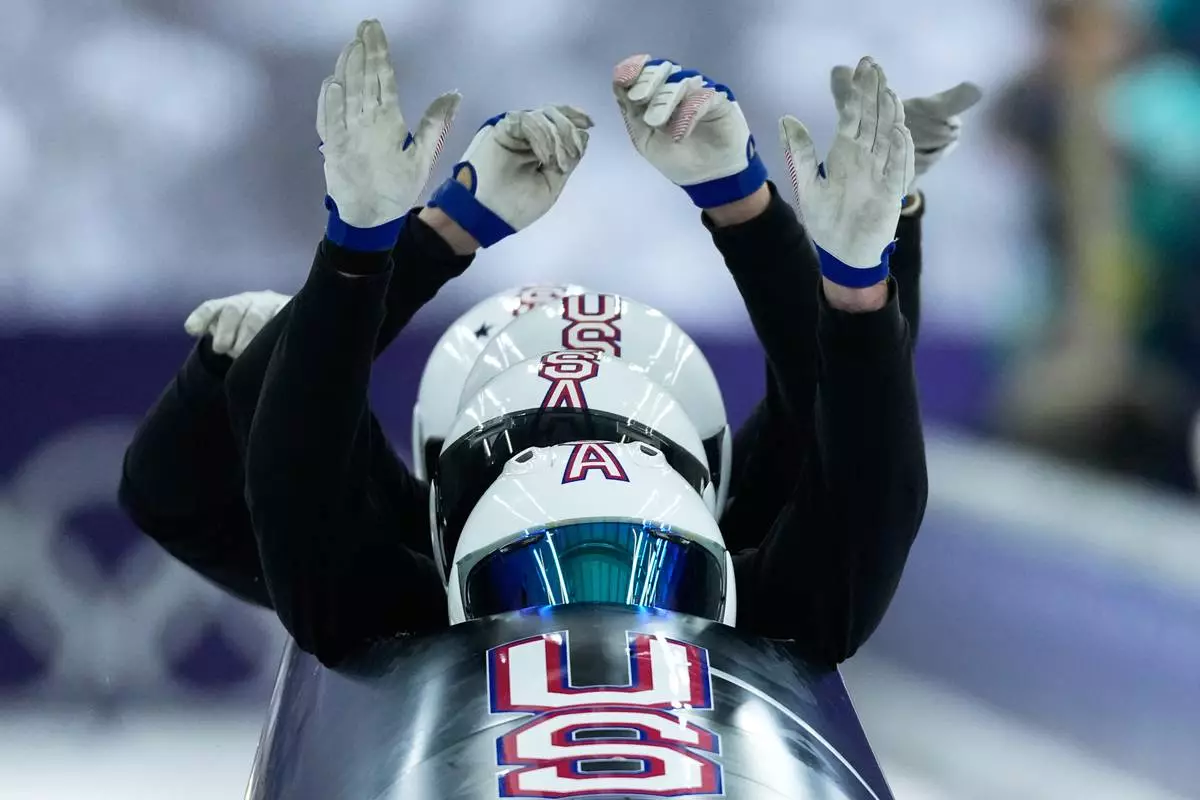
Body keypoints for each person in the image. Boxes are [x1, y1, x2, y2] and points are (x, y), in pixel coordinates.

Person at [119, 19, 971, 666]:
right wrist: (823, 257)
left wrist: (376, 251)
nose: (597, 637)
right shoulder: (789, 597)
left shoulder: (371, 598)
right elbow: (860, 469)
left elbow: (288, 469)